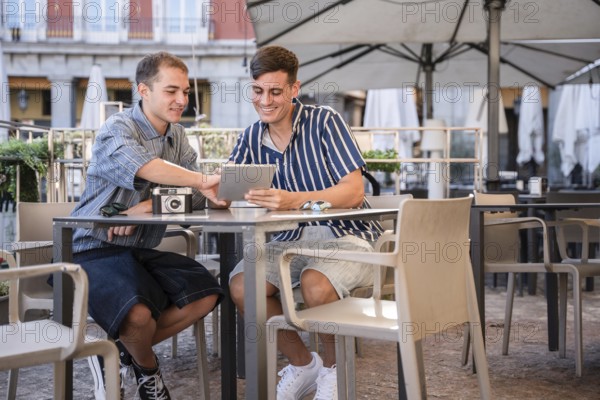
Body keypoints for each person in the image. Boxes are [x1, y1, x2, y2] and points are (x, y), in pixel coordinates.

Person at [228, 45, 383, 400]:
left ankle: (333, 371)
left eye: (275, 92)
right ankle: (302, 364)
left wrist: (291, 200)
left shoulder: (325, 121)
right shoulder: (251, 136)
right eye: (257, 90)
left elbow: (353, 192)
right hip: (285, 241)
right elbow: (232, 190)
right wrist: (216, 190)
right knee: (241, 285)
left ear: (294, 89)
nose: (265, 100)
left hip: (346, 236)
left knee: (315, 283)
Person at [70, 51, 224, 400]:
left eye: (185, 91)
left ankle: (116, 351)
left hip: (139, 250)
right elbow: (146, 167)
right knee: (138, 316)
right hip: (90, 250)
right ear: (143, 89)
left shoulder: (179, 137)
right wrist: (203, 181)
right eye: (171, 91)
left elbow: (196, 199)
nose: (181, 100)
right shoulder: (117, 128)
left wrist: (151, 206)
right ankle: (149, 371)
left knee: (208, 293)